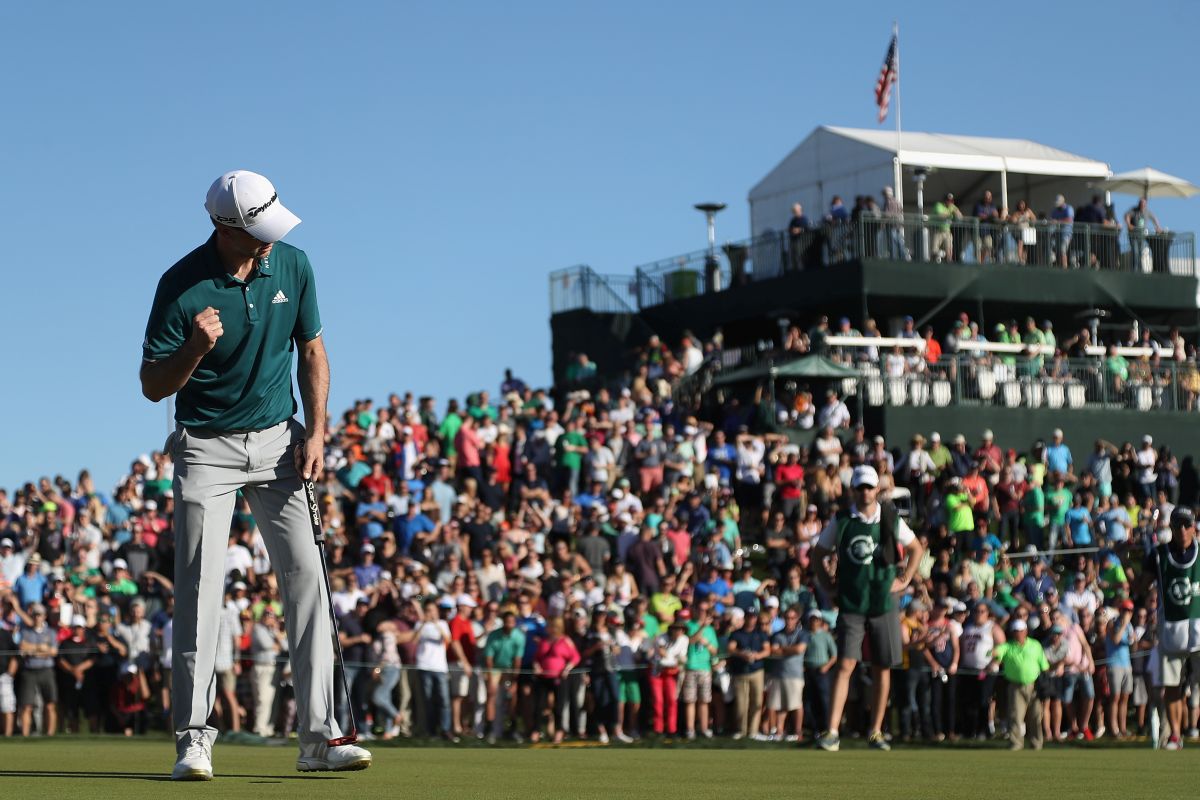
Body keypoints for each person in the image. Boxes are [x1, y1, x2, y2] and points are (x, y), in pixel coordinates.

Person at [140, 170, 370, 778]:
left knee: (309, 585)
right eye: (255, 232)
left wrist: (318, 433)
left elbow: (313, 351)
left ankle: (321, 739)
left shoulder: (293, 264)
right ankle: (194, 739)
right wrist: (193, 348)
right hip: (204, 448)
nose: (268, 240)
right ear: (222, 226)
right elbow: (151, 385)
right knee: (198, 591)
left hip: (279, 443)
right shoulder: (180, 286)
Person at [811, 465, 925, 751]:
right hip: (851, 602)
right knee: (846, 663)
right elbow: (819, 554)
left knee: (882, 666)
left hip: (883, 602)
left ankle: (875, 731)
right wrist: (827, 584)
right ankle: (832, 731)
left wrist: (904, 579)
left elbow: (916, 549)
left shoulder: (889, 517)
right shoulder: (842, 520)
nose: (865, 492)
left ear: (877, 489)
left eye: (869, 487)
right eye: (860, 487)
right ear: (853, 490)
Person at [1136, 506, 1200, 750]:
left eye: (1187, 524)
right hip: (1171, 632)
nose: (1182, 530)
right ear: (1171, 528)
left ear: (1194, 526)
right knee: (1172, 686)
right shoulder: (1158, 554)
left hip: (1199, 629)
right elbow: (1141, 587)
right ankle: (1175, 734)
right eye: (1178, 525)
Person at [991, 619, 1049, 750]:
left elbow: (1044, 665)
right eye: (1015, 631)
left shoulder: (1035, 645)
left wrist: (1046, 683)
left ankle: (1036, 743)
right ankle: (1016, 743)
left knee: (1035, 716)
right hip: (1015, 686)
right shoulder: (1008, 646)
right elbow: (998, 652)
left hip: (1034, 686)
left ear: (1026, 631)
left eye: (1020, 631)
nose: (1018, 634)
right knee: (1016, 716)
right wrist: (993, 653)